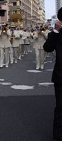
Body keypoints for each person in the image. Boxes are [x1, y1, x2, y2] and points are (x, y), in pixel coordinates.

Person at [43, 7, 62, 141]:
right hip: (61, 76)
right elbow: (47, 48)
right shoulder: (56, 33)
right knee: (60, 108)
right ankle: (58, 136)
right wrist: (55, 31)